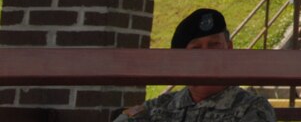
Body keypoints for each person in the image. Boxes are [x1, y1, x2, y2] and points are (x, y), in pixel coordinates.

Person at [113, 8, 277, 121]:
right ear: (182, 59)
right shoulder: (160, 107)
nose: (206, 55)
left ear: (230, 49)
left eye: (214, 45)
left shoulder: (252, 108)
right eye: (196, 48)